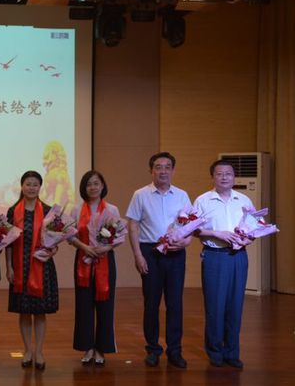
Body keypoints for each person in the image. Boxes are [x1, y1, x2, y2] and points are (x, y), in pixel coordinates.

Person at [126, 152, 192, 369]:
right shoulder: (140, 195)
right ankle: (153, 349)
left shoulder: (182, 195)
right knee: (151, 304)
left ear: (173, 170)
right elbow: (133, 225)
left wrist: (185, 242)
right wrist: (138, 255)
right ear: (151, 170)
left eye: (167, 167)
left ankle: (175, 351)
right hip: (150, 252)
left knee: (175, 304)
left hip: (175, 253)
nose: (163, 171)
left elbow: (192, 225)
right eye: (158, 167)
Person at [194, 160, 253, 369]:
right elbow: (193, 229)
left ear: (234, 177)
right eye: (220, 173)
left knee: (235, 306)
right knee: (215, 306)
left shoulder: (244, 200)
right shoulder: (203, 200)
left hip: (238, 256)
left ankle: (232, 352)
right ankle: (215, 352)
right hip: (214, 256)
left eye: (228, 173)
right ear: (213, 177)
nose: (224, 177)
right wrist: (216, 233)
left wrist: (248, 238)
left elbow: (253, 227)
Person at [69, 170, 123, 366]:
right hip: (82, 260)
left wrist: (104, 248)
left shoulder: (112, 210)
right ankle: (87, 347)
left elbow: (118, 236)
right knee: (84, 305)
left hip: (105, 262)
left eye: (96, 183)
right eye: (89, 184)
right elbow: (69, 235)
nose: (92, 187)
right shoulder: (76, 210)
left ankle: (101, 348)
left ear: (102, 186)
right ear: (84, 188)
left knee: (105, 304)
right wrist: (85, 248)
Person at [5, 171, 57, 370]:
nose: (31, 188)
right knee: (25, 311)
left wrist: (52, 251)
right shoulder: (12, 211)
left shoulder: (49, 211)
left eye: (35, 184)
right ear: (22, 186)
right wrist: (9, 267)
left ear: (40, 187)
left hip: (42, 267)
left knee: (40, 312)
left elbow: (56, 239)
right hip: (20, 267)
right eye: (28, 184)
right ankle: (27, 350)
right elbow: (8, 243)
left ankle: (39, 351)